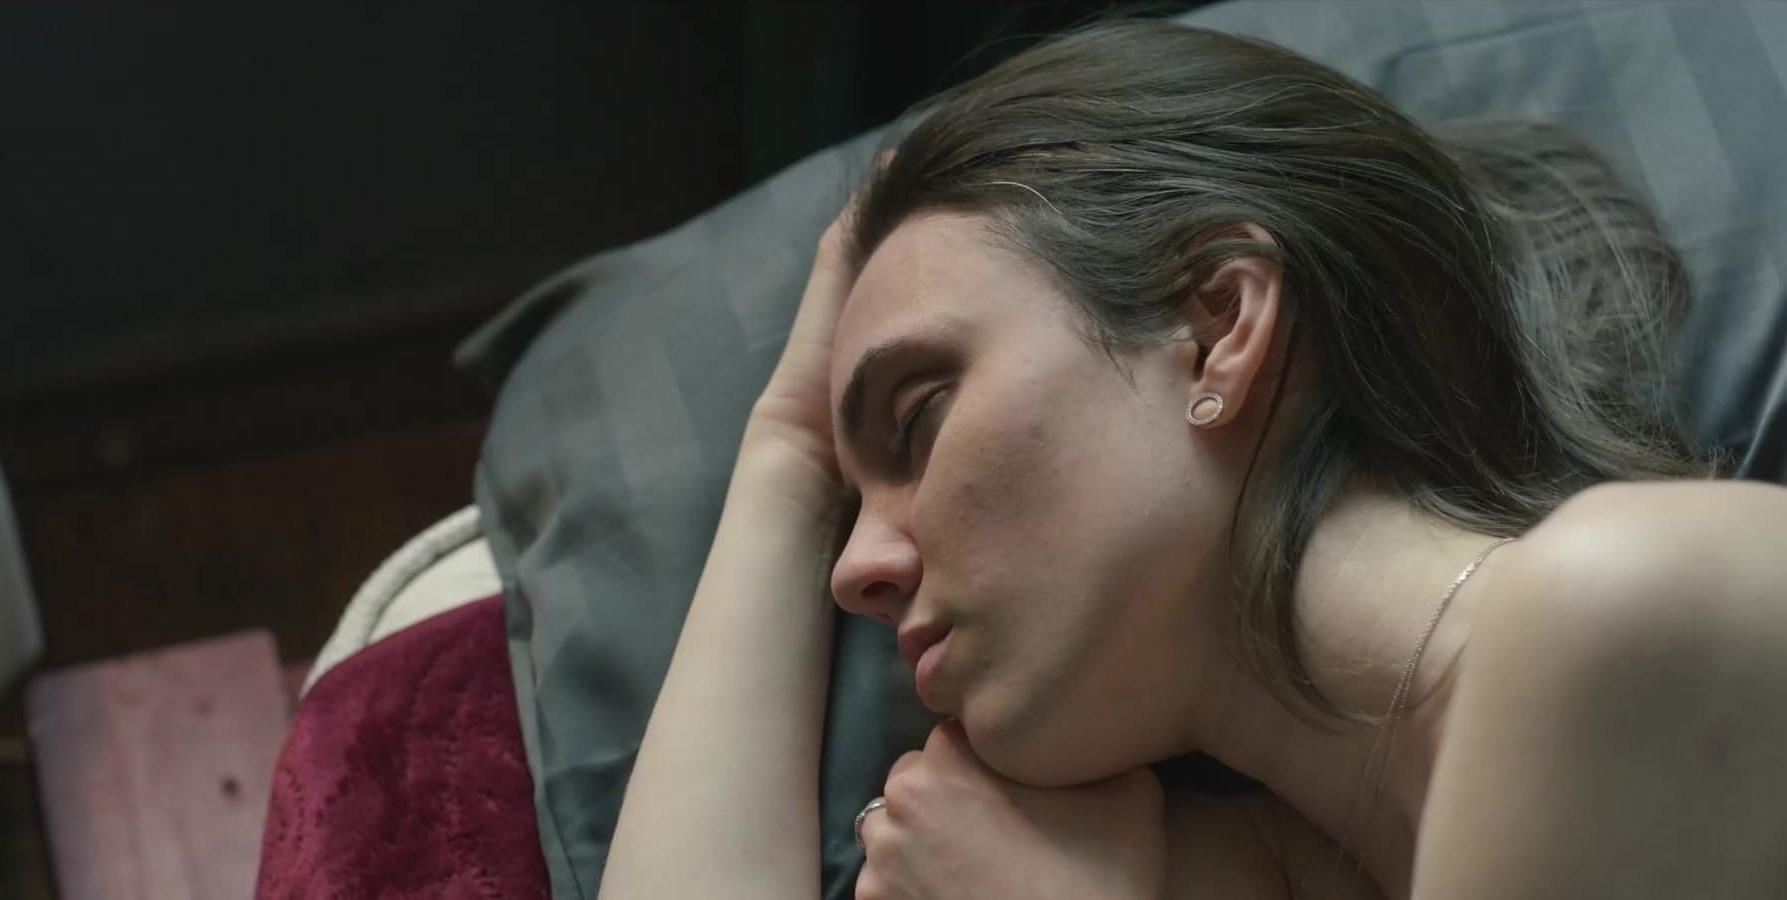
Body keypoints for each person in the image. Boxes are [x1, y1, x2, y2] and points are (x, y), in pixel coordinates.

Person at [599, 18, 1787, 900]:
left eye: (918, 421)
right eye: (849, 497)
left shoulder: (1641, 604)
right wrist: (783, 459)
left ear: (1220, 324)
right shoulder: (1256, 865)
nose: (855, 570)